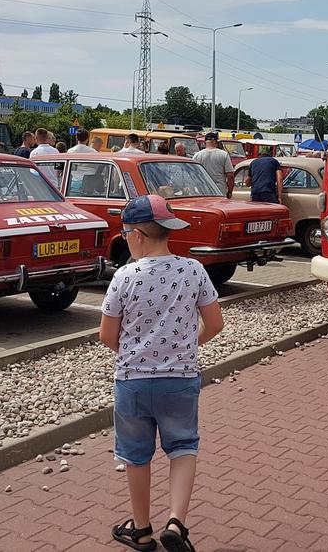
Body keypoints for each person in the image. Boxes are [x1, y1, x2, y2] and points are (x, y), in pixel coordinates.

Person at [99, 195, 224, 552]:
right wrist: (186, 348)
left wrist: (137, 355)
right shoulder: (193, 270)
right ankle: (176, 522)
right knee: (183, 446)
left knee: (136, 455)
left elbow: (107, 335)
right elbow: (215, 324)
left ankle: (140, 529)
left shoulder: (124, 276)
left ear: (137, 235)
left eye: (125, 235)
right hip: (180, 379)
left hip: (133, 382)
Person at [193, 133, 234, 198]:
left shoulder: (197, 155)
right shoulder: (224, 154)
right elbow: (230, 176)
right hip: (219, 191)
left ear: (205, 142)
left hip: (202, 191)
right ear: (216, 142)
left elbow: (193, 175)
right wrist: (230, 192)